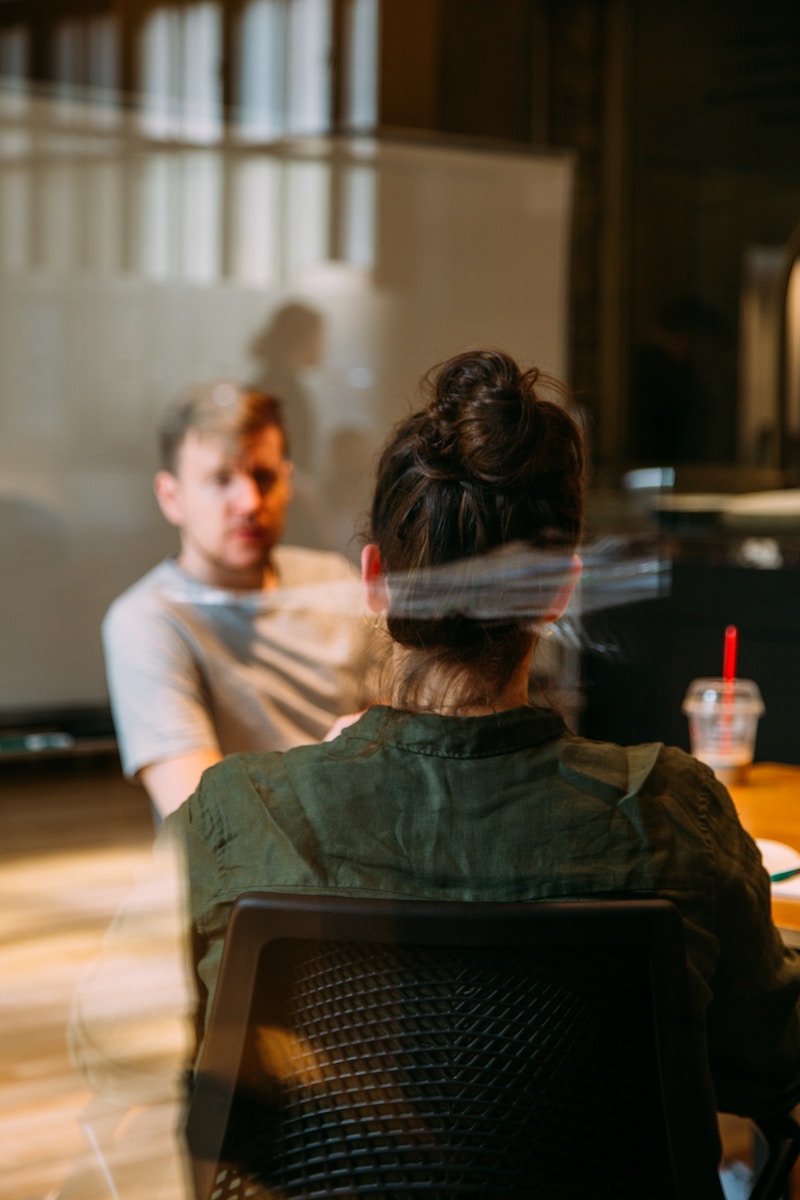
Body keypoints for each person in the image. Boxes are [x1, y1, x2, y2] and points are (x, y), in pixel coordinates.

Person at [168, 348, 800, 1135]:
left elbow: (184, 1083)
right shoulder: (674, 815)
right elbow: (771, 1065)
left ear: (374, 577)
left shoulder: (232, 818)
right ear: (562, 592)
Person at [102, 381, 377, 820]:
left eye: (263, 477)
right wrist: (332, 765)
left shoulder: (334, 580)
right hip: (246, 884)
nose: (249, 502)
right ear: (171, 497)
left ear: (287, 483)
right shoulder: (147, 620)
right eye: (220, 479)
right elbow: (204, 818)